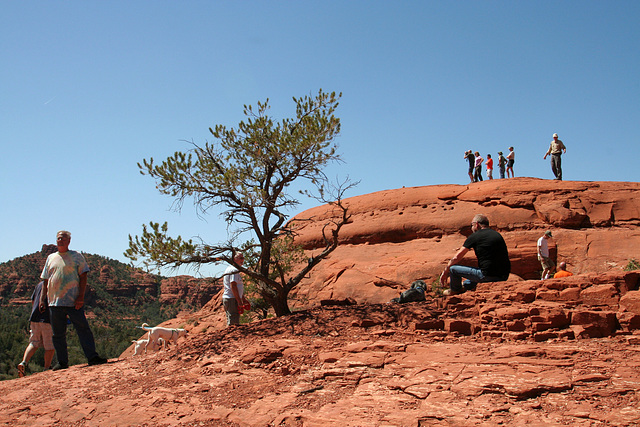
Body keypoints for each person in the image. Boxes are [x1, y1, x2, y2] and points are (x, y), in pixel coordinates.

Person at [39, 230, 107, 370]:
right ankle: (62, 362)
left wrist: (80, 297)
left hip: (73, 301)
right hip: (54, 302)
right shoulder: (51, 258)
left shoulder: (77, 256)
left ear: (69, 241)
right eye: (58, 238)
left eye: (63, 238)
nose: (60, 240)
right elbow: (46, 281)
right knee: (58, 334)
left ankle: (92, 357)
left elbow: (83, 276)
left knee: (83, 329)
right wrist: (42, 299)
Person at [440, 214, 511, 295]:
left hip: (487, 275)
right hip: (504, 275)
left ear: (476, 224)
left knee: (453, 269)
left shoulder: (475, 236)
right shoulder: (497, 234)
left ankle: (455, 291)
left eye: (472, 225)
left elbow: (456, 257)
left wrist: (445, 272)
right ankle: (466, 286)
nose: (471, 228)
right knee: (474, 275)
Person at [17, 281, 54, 377]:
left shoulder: (39, 284)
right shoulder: (54, 283)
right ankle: (46, 368)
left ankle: (23, 363)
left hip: (34, 317)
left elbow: (33, 301)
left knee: (34, 342)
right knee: (50, 345)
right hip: (47, 318)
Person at [222, 252, 250, 326]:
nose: (243, 260)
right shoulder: (234, 270)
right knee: (233, 322)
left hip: (231, 298)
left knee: (232, 319)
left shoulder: (232, 269)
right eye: (241, 258)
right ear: (235, 259)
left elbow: (237, 286)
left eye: (243, 258)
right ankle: (231, 337)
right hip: (232, 299)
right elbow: (233, 285)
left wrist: (243, 298)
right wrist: (239, 301)